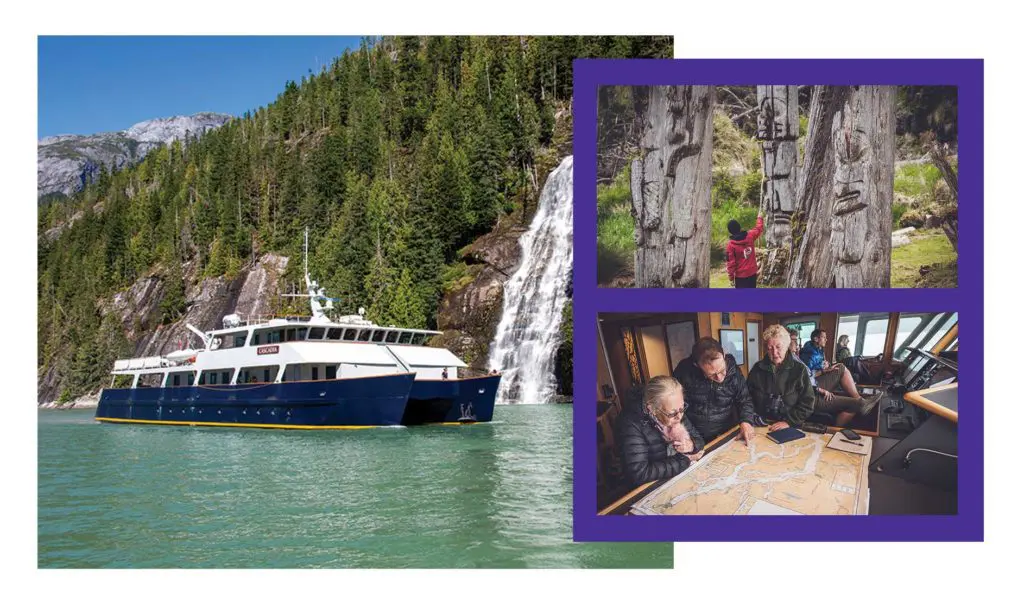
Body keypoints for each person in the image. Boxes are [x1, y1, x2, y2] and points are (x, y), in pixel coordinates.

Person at [616, 376, 706, 487]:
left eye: (682, 409)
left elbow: (699, 440)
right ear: (652, 409)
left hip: (674, 476)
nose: (679, 417)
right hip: (648, 487)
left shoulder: (675, 409)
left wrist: (691, 445)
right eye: (672, 413)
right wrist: (686, 459)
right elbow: (639, 474)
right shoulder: (630, 423)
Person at [672, 337, 756, 444]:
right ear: (697, 365)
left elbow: (744, 399)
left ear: (724, 354)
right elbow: (678, 410)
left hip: (727, 431)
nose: (720, 378)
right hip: (696, 435)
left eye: (722, 370)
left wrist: (746, 421)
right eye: (712, 375)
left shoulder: (733, 370)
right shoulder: (684, 373)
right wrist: (694, 439)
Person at [797, 329, 879, 426]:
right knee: (845, 367)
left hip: (817, 379)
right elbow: (807, 377)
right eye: (824, 337)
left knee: (840, 367)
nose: (826, 340)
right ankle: (835, 430)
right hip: (813, 387)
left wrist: (826, 367)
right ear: (816, 339)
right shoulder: (808, 354)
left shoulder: (818, 350)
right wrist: (823, 371)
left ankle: (860, 399)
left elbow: (816, 367)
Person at [747, 325, 816, 431]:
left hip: (789, 425)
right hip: (760, 424)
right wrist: (749, 419)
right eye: (770, 348)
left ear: (787, 345)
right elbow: (746, 398)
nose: (774, 353)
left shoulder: (799, 370)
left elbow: (808, 402)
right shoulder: (757, 369)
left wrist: (789, 421)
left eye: (778, 347)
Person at [726, 213, 765, 288]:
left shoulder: (730, 245)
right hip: (752, 273)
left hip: (740, 277)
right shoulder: (750, 235)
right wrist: (760, 218)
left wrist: (731, 277)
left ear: (730, 231)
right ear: (740, 227)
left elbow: (731, 263)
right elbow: (758, 228)